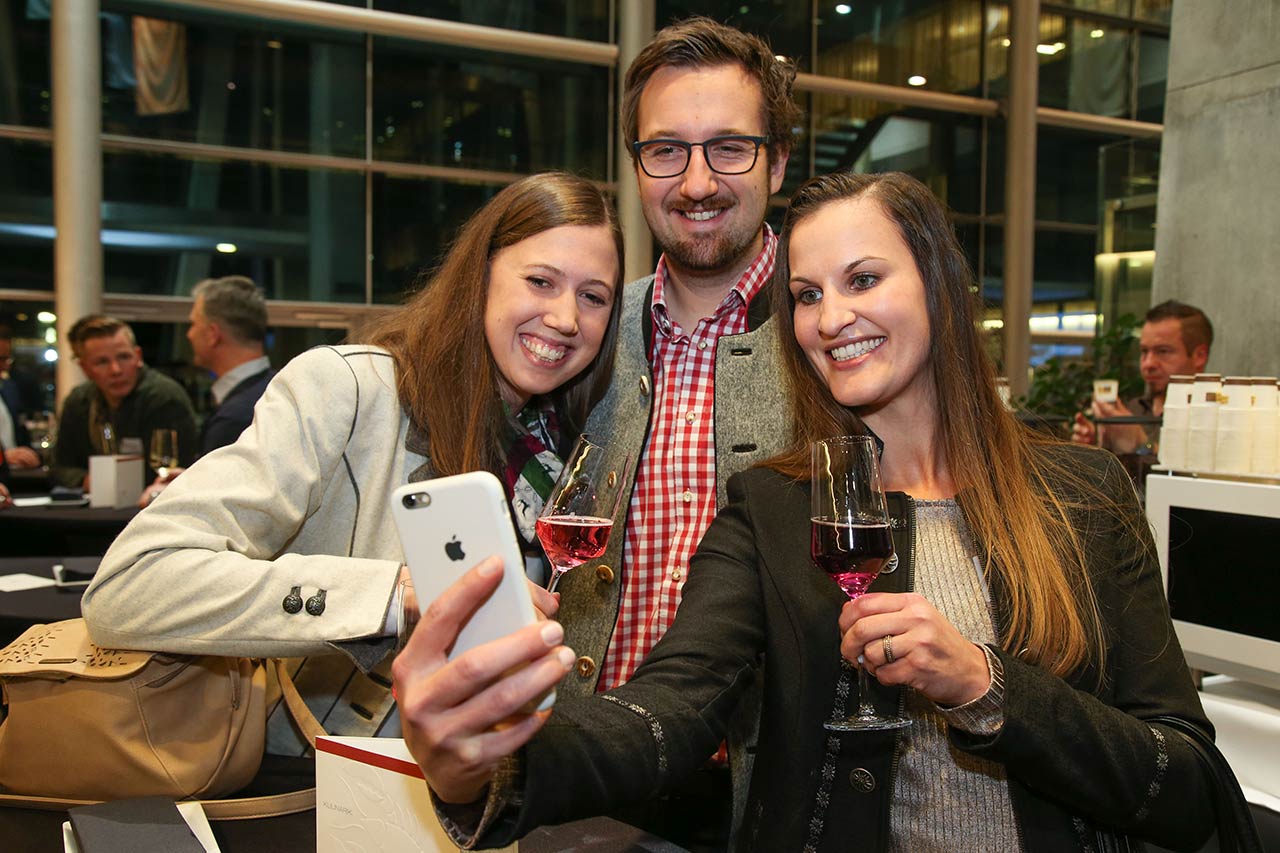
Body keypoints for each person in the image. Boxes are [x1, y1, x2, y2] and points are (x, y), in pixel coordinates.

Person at [393, 172, 1216, 852]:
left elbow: (1188, 782)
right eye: (806, 294)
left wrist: (984, 684)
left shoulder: (1083, 494)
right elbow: (670, 709)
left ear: (937, 283)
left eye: (863, 280)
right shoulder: (775, 506)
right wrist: (489, 767)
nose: (831, 318)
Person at [82, 173, 623, 755]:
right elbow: (130, 585)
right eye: (541, 281)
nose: (566, 318)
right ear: (481, 276)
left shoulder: (569, 449)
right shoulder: (350, 390)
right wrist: (395, 594)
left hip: (479, 780)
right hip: (313, 776)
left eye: (593, 297)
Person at [558, 20, 799, 844]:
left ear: (777, 162)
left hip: (764, 791)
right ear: (636, 166)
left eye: (730, 148)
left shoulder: (830, 338)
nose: (697, 182)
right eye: (666, 150)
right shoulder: (586, 334)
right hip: (588, 776)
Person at [139, 276, 274, 506]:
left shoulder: (236, 416)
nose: (189, 334)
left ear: (212, 334)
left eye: (193, 324)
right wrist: (191, 479)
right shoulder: (276, 388)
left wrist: (168, 496)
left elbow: (221, 505)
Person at [50, 315, 198, 491]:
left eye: (124, 357)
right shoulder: (79, 401)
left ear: (138, 356)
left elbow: (175, 472)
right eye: (102, 362)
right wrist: (90, 480)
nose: (116, 370)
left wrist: (108, 483)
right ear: (84, 368)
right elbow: (59, 468)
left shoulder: (164, 398)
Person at [1071, 300, 1212, 453]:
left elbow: (1193, 467)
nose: (1148, 364)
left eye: (1163, 351)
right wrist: (1095, 446)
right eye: (1144, 351)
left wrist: (1140, 443)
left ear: (1199, 356)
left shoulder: (1213, 417)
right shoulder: (1134, 409)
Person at [0, 327, 44, 471]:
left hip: (15, 476)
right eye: (0, 359)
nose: (5, 366)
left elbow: (20, 435)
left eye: (7, 359)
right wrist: (4, 457)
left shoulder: (9, 389)